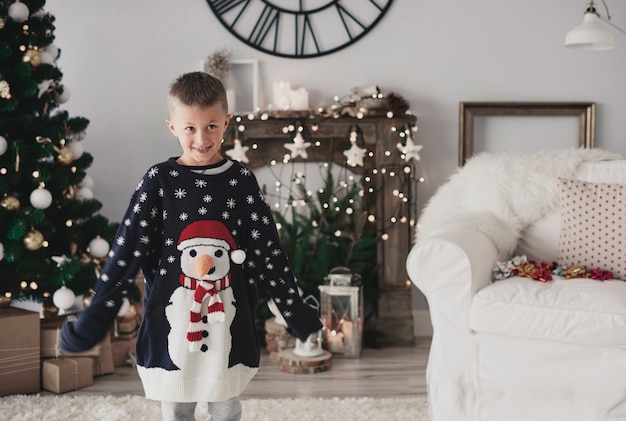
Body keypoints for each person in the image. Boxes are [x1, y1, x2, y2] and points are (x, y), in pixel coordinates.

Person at [61, 71, 323, 421]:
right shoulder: (158, 182)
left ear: (227, 122)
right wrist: (92, 323)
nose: (202, 138)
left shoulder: (241, 182)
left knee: (225, 407)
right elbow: (125, 255)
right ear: (172, 126)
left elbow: (268, 254)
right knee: (177, 409)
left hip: (228, 321)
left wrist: (297, 315)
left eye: (212, 126)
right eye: (190, 128)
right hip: (173, 322)